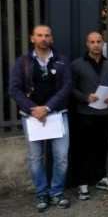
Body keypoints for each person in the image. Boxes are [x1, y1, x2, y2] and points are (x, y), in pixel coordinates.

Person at [9, 25, 72, 212]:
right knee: (35, 158)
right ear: (32, 39)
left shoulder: (61, 60)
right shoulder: (22, 62)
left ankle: (57, 192)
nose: (43, 38)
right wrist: (32, 109)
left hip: (57, 115)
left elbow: (67, 86)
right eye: (39, 35)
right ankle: (42, 193)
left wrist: (48, 107)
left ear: (51, 39)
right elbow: (14, 88)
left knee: (61, 157)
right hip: (31, 117)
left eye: (47, 35)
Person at [71, 31, 108, 200]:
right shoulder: (77, 65)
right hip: (86, 113)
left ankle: (101, 178)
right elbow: (70, 88)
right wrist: (85, 97)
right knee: (84, 148)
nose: (96, 44)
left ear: (103, 43)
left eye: (98, 41)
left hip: (105, 113)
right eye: (92, 41)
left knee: (102, 147)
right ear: (87, 44)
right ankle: (82, 184)